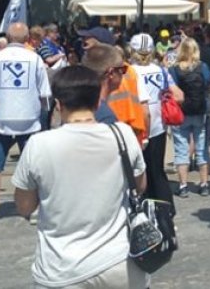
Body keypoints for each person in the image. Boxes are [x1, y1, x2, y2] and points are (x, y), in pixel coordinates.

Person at [11, 65, 149, 288]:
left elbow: (24, 206)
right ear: (97, 103)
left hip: (61, 267)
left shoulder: (39, 144)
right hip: (119, 263)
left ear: (59, 104)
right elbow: (140, 185)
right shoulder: (123, 134)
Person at [0, 22, 51, 227]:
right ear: (28, 38)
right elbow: (45, 93)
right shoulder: (35, 59)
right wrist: (45, 114)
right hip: (29, 118)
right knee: (33, 166)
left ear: (8, 37)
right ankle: (35, 209)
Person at [129, 33, 180, 212]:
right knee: (157, 169)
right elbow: (178, 95)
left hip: (137, 124)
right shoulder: (161, 70)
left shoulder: (130, 72)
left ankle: (144, 207)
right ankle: (166, 208)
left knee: (139, 170)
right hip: (159, 123)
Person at [168, 37, 210, 197]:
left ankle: (183, 185)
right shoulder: (203, 67)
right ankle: (204, 183)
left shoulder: (174, 69)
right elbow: (209, 83)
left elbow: (170, 89)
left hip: (180, 112)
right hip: (200, 111)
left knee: (181, 150)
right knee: (202, 148)